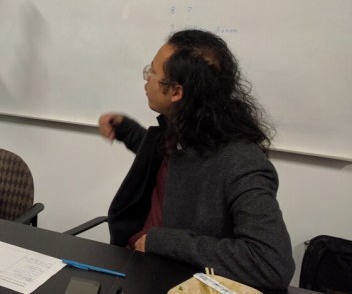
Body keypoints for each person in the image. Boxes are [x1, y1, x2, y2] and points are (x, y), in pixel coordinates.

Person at [97, 29, 295, 290]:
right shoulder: (187, 130)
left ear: (176, 92)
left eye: (152, 72)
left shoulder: (243, 162)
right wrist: (127, 131)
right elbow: (175, 166)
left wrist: (163, 241)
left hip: (168, 277)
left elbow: (271, 263)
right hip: (134, 263)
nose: (147, 79)